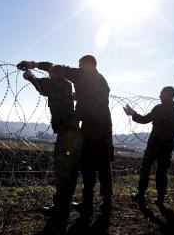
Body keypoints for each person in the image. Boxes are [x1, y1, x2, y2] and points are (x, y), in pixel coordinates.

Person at [17, 55, 113, 217]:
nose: (78, 68)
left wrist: (33, 65)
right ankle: (102, 203)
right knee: (100, 164)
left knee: (84, 165)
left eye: (80, 65)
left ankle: (78, 204)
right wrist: (77, 97)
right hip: (102, 125)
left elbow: (57, 70)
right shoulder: (101, 80)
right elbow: (91, 98)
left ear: (87, 65)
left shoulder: (84, 75)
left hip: (90, 127)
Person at [22, 66, 81, 224]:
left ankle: (60, 208)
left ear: (56, 74)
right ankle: (64, 205)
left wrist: (30, 76)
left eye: (50, 74)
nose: (49, 76)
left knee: (63, 169)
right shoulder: (66, 85)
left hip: (67, 133)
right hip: (71, 132)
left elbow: (43, 88)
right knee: (69, 170)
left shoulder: (59, 84)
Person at [123, 86, 174, 205]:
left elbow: (145, 119)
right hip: (167, 146)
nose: (159, 96)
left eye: (161, 94)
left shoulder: (159, 108)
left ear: (167, 94)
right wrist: (170, 134)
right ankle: (160, 198)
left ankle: (140, 194)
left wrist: (133, 114)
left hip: (154, 144)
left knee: (146, 169)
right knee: (161, 172)